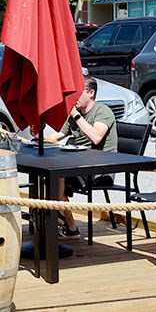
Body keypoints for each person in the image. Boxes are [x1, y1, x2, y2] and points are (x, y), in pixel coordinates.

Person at [45, 76, 117, 240]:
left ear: (91, 93)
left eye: (77, 93)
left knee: (56, 175)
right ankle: (69, 225)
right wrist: (36, 138)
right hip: (79, 164)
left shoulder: (102, 111)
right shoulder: (73, 115)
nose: (73, 98)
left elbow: (96, 137)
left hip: (101, 167)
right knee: (50, 175)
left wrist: (76, 116)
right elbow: (57, 136)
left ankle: (58, 214)